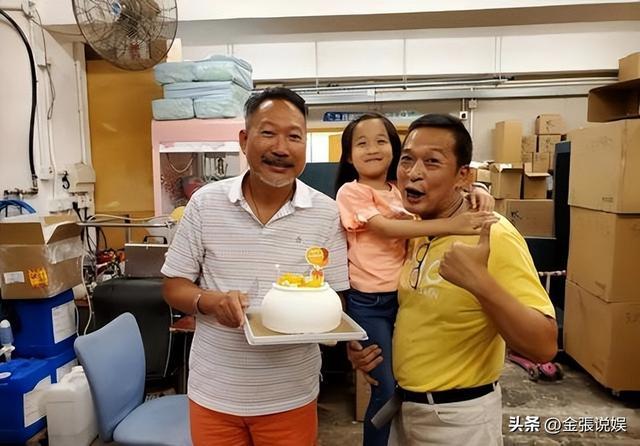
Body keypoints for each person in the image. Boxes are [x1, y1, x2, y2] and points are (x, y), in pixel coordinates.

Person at [348, 114, 557, 446]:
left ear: (463, 175)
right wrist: (366, 351)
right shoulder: (417, 230)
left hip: (459, 420)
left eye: (432, 162)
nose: (413, 172)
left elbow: (544, 346)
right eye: (407, 160)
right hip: (405, 407)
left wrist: (480, 282)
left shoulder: (493, 234)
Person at [162, 87, 349, 446]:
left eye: (294, 136)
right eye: (268, 132)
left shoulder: (326, 213)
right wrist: (211, 302)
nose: (281, 147)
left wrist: (314, 318)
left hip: (291, 394)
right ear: (244, 140)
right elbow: (174, 286)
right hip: (214, 393)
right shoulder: (205, 203)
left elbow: (336, 296)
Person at [334, 112, 497, 446]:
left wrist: (476, 189)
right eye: (361, 143)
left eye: (381, 141)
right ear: (349, 156)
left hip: (404, 297)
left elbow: (441, 194)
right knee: (384, 388)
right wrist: (453, 226)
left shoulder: (400, 190)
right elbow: (385, 228)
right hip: (370, 304)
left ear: (393, 150)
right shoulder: (351, 192)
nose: (372, 149)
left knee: (405, 382)